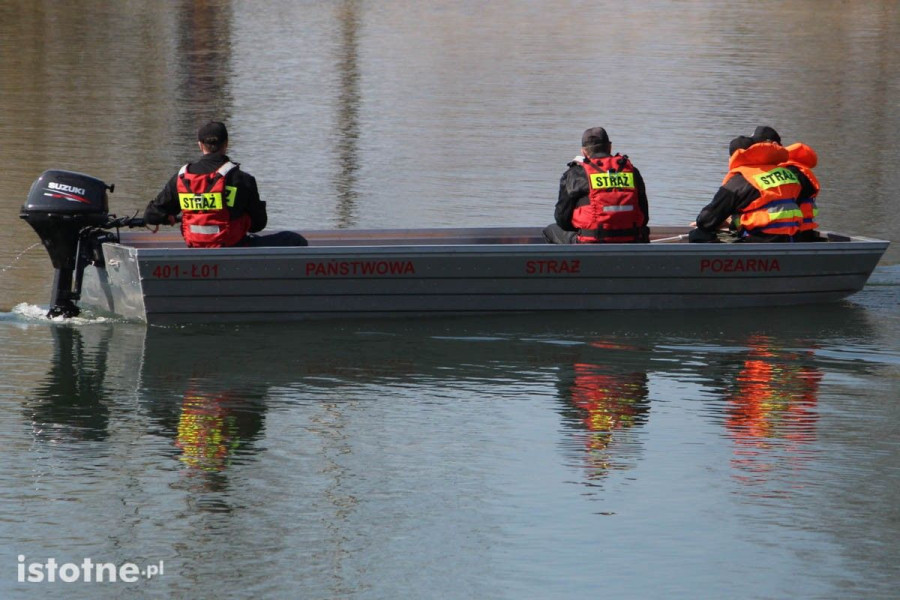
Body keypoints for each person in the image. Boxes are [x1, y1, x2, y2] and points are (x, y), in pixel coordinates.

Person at [144, 121, 308, 247]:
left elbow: (151, 215)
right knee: (295, 240)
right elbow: (258, 224)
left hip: (196, 249)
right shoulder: (241, 179)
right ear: (226, 144)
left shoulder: (182, 178)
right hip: (235, 249)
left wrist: (169, 217)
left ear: (200, 145)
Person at [688, 125, 816, 243]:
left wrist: (711, 223)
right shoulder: (788, 173)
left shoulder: (742, 179)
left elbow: (706, 220)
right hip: (793, 239)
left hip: (761, 241)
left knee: (698, 234)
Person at [543, 127, 650, 244]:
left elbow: (562, 219)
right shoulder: (632, 172)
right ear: (610, 147)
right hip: (632, 239)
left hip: (590, 241)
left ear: (583, 152)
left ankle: (572, 262)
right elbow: (644, 217)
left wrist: (584, 228)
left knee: (550, 230)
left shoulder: (575, 174)